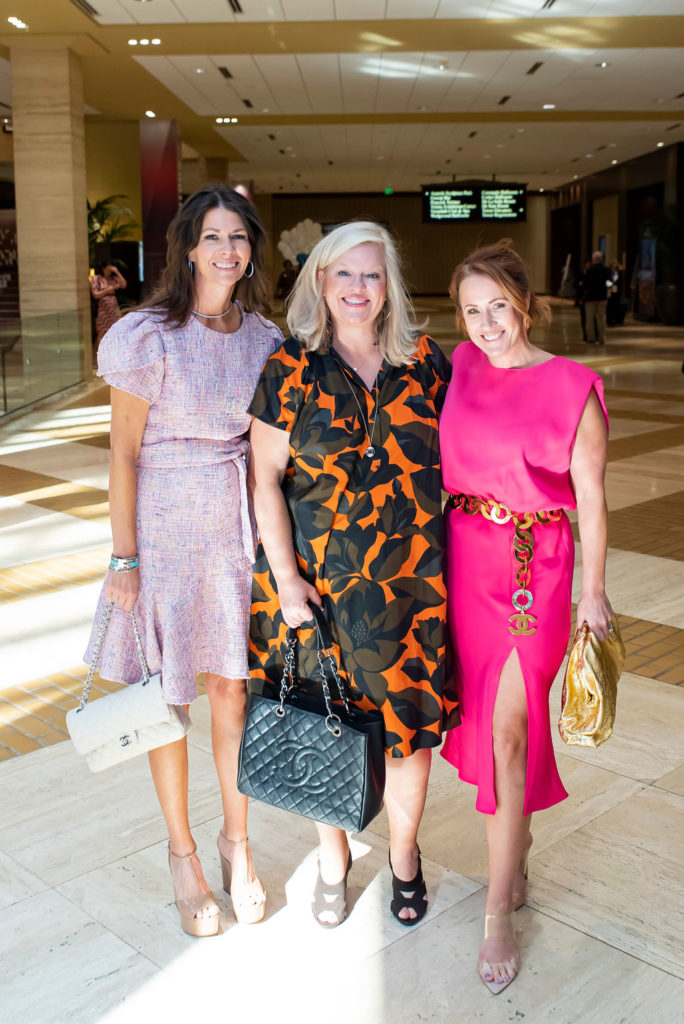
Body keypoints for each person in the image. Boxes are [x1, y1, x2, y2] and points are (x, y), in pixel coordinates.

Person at [248, 220, 459, 929]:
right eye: (344, 274)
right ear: (320, 282)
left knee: (408, 735)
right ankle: (334, 857)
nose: (358, 289)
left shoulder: (429, 363)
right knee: (323, 723)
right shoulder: (289, 367)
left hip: (412, 592)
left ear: (390, 284)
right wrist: (285, 580)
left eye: (372, 274)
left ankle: (403, 857)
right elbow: (265, 482)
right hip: (315, 592)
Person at [85, 184, 283, 936]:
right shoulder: (148, 334)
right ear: (189, 248)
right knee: (168, 702)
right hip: (164, 531)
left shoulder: (263, 338)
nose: (227, 250)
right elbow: (123, 454)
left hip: (233, 530)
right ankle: (183, 854)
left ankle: (238, 843)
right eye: (213, 237)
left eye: (239, 237)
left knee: (232, 694)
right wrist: (125, 559)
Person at [440, 240, 612, 993]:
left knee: (510, 731)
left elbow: (594, 501)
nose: (486, 325)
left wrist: (593, 591)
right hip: (460, 563)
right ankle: (518, 842)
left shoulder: (574, 384)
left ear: (526, 304)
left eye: (498, 308)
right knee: (485, 725)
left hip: (530, 572)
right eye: (471, 311)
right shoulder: (457, 368)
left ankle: (497, 913)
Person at [90, 262, 127, 343]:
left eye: (111, 269)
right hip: (102, 311)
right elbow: (95, 294)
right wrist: (107, 291)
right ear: (103, 268)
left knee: (116, 331)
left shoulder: (114, 279)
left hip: (113, 310)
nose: (110, 271)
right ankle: (101, 353)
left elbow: (124, 285)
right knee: (102, 334)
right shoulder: (97, 278)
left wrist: (117, 271)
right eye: (108, 269)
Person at [582, 250, 612, 344]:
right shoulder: (606, 270)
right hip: (602, 297)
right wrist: (605, 288)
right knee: (602, 318)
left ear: (593, 259)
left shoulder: (589, 270)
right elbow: (610, 282)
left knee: (590, 319)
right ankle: (602, 338)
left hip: (590, 298)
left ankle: (591, 338)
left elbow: (585, 284)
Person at [606, 260, 625, 327]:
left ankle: (616, 319)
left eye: (615, 265)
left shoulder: (619, 273)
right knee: (610, 306)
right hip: (610, 291)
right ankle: (610, 320)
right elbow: (607, 282)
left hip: (617, 291)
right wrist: (611, 285)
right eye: (613, 265)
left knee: (616, 305)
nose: (614, 267)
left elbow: (620, 282)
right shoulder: (608, 273)